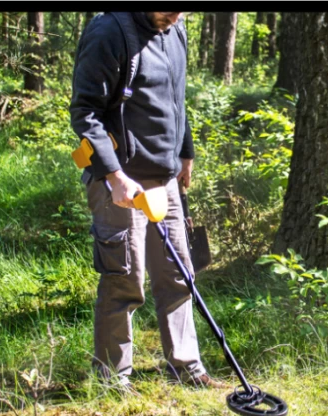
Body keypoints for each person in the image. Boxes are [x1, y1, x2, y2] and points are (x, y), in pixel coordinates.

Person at [69, 12, 228, 393]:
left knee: (179, 275)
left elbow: (177, 97)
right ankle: (111, 378)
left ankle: (186, 365)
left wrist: (185, 153)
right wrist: (113, 175)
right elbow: (85, 112)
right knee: (124, 279)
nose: (174, 15)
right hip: (122, 182)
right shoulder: (110, 31)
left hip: (166, 179)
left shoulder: (176, 28)